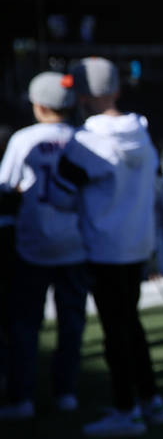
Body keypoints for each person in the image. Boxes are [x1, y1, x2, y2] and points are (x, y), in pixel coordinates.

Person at [48, 57, 163, 436]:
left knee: (116, 332)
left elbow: (58, 194)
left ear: (83, 94)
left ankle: (125, 409)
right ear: (115, 89)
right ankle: (151, 401)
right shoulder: (142, 130)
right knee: (130, 325)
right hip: (137, 243)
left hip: (103, 247)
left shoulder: (85, 140)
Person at [0, 72, 90, 419]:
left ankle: (21, 397)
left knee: (25, 324)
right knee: (71, 322)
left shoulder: (24, 139)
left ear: (38, 105)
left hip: (32, 245)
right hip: (76, 243)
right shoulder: (83, 138)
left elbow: (6, 186)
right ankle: (65, 392)